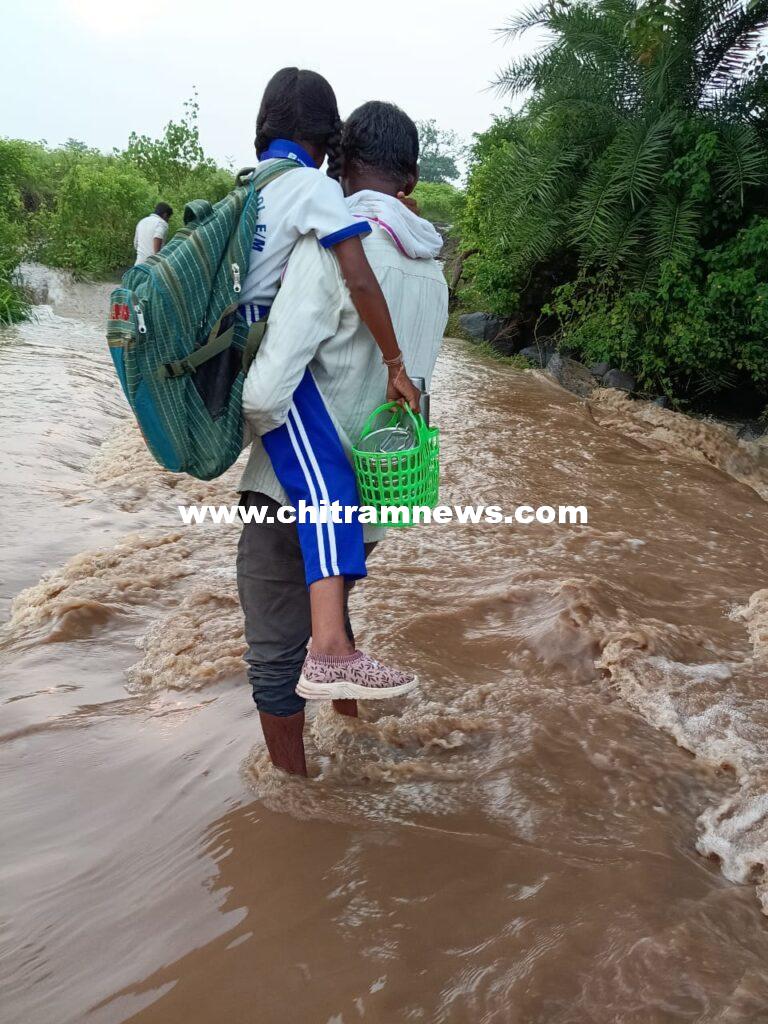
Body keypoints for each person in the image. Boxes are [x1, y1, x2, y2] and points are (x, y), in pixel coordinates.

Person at [238, 100, 449, 775]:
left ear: (337, 167)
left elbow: (270, 392)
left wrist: (217, 431)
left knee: (276, 650)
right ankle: (353, 736)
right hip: (372, 493)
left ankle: (296, 800)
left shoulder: (335, 244)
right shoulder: (432, 270)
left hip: (288, 493)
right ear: (409, 181)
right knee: (330, 606)